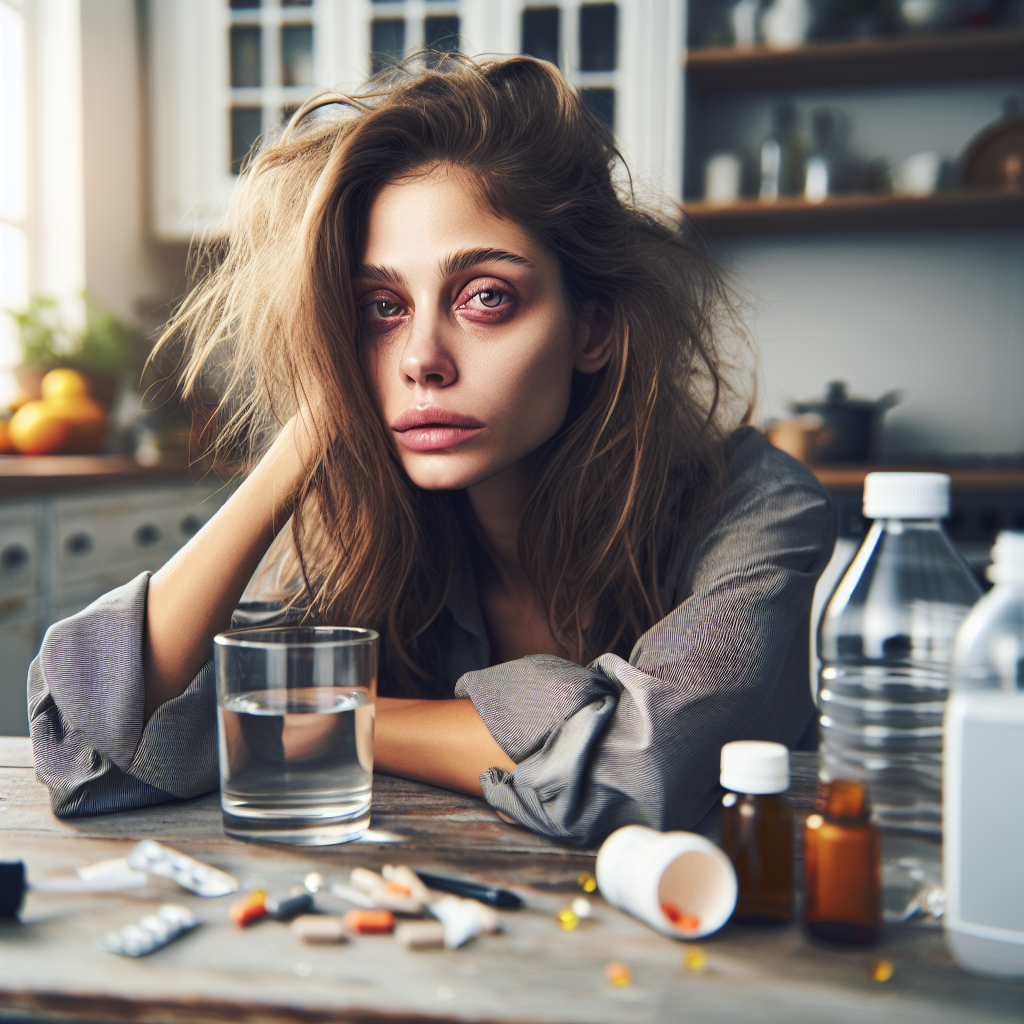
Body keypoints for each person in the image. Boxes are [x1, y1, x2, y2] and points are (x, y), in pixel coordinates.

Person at [28, 56, 834, 845]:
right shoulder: (355, 525)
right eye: (379, 307)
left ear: (592, 328)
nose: (421, 359)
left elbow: (640, 766)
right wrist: (317, 418)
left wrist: (338, 711)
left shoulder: (758, 508)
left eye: (486, 297)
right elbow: (97, 742)